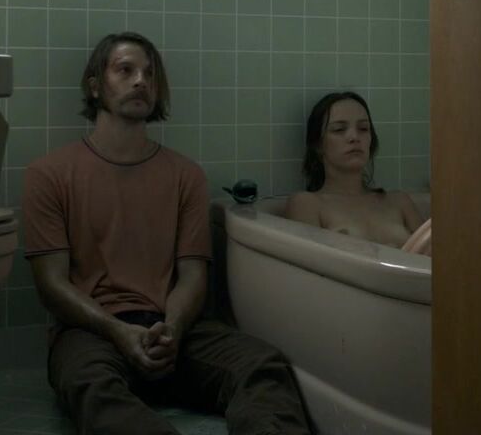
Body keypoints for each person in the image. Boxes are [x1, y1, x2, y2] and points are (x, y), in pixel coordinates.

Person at [21, 31, 313, 435]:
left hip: (173, 329)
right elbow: (51, 285)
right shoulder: (49, 174)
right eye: (125, 70)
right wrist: (117, 331)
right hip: (91, 332)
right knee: (91, 387)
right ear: (95, 86)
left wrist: (172, 329)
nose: (141, 81)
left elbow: (193, 274)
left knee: (264, 366)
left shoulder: (184, 175)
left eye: (149, 74)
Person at [284, 92, 432, 256]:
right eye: (339, 129)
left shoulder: (399, 201)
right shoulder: (307, 203)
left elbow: (437, 258)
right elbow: (309, 264)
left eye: (363, 129)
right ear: (318, 145)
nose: (354, 137)